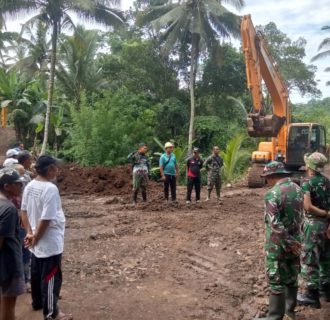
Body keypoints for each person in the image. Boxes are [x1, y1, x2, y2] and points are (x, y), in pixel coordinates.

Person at [21, 155, 73, 320]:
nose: (57, 170)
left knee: (36, 273)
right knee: (51, 276)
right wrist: (35, 236)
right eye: (56, 167)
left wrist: (30, 232)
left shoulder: (30, 185)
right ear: (50, 169)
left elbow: (23, 211)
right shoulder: (50, 188)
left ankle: (38, 302)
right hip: (49, 241)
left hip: (36, 240)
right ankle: (52, 313)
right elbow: (46, 218)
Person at [258, 161, 304, 320]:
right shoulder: (298, 189)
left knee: (276, 281)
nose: (266, 181)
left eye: (266, 177)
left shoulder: (273, 193)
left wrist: (288, 244)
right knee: (292, 278)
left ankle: (275, 317)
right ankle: (289, 313)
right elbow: (300, 217)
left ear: (273, 176)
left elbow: (275, 224)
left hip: (278, 247)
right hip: (296, 243)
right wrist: (295, 243)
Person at [297, 152, 330, 308]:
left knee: (310, 257)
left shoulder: (307, 182)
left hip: (314, 224)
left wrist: (322, 213)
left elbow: (307, 206)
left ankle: (312, 295)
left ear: (309, 166)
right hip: (327, 224)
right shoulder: (327, 182)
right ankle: (326, 290)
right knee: (325, 256)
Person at [0, 168, 25, 320]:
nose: (20, 187)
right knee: (9, 302)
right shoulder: (8, 209)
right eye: (17, 184)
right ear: (6, 186)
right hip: (8, 262)